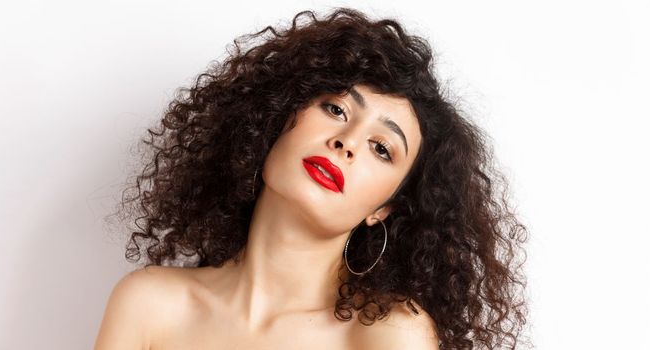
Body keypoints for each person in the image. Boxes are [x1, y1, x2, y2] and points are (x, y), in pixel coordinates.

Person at [95, 7, 529, 350]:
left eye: (382, 149)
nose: (347, 142)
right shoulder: (148, 303)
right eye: (336, 109)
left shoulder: (389, 332)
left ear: (384, 209)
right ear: (277, 119)